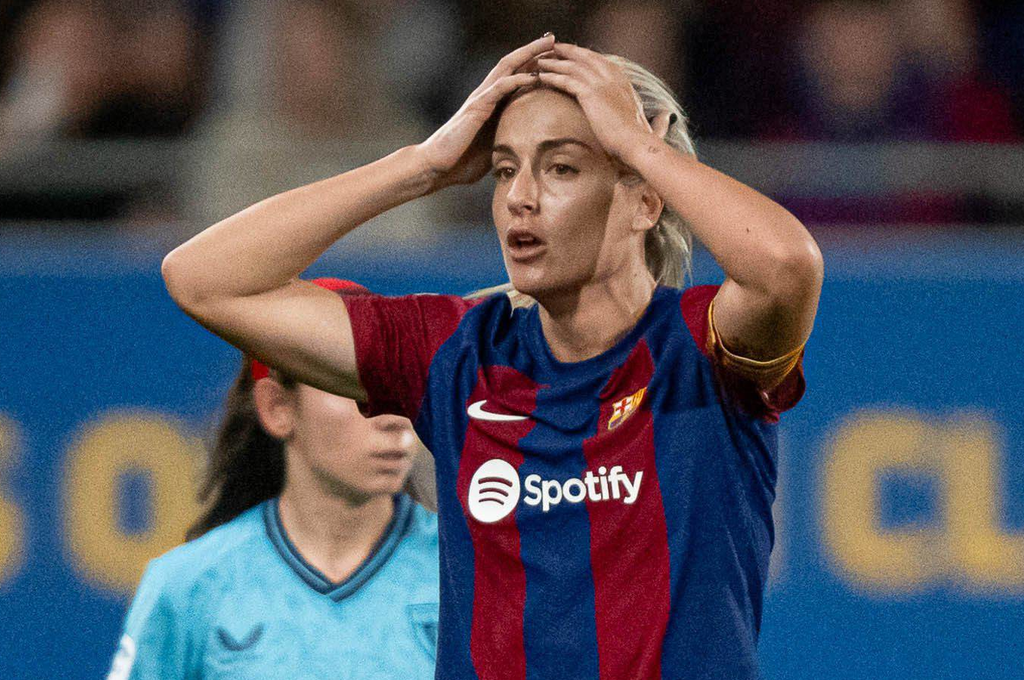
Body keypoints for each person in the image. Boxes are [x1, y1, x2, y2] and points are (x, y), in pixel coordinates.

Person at [161, 33, 823, 680]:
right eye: (505, 169)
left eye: (561, 168)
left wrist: (639, 145)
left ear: (645, 200)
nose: (518, 198)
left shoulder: (702, 351)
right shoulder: (456, 352)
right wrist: (422, 167)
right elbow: (202, 279)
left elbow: (787, 266)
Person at [107, 278, 439, 680]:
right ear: (277, 407)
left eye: (398, 385)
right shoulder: (188, 587)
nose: (393, 416)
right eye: (354, 387)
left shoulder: (471, 575)